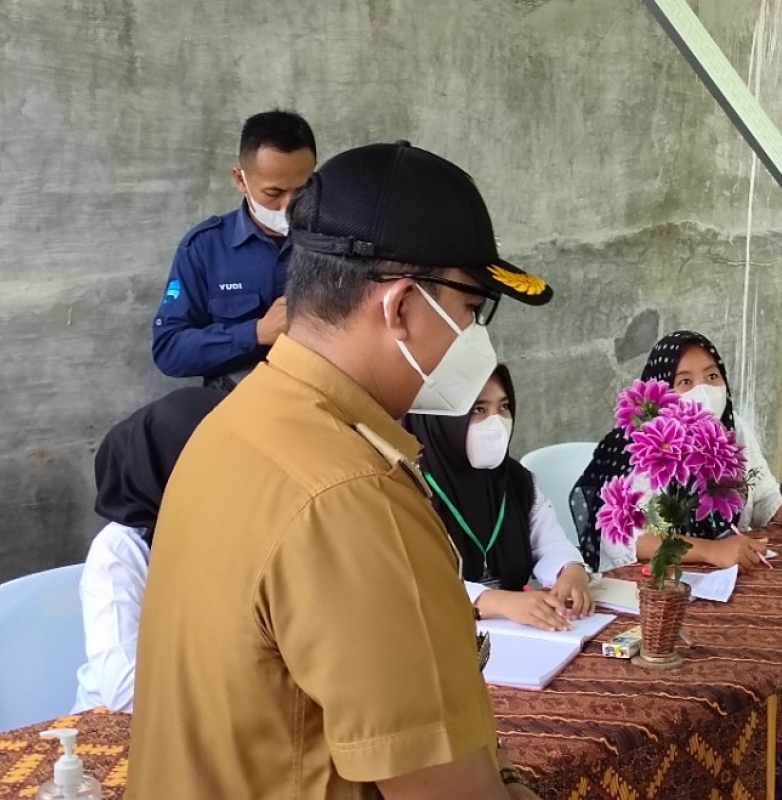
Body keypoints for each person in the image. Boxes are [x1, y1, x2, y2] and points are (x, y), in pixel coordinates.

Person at [128, 141, 552, 799]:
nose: (477, 341)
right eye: (472, 312)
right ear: (402, 307)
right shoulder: (352, 495)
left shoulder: (235, 427)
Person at [572, 330, 782, 573]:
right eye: (685, 381)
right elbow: (627, 538)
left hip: (724, 576)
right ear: (661, 391)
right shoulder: (641, 442)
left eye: (712, 376)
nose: (703, 389)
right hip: (652, 583)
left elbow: (763, 499)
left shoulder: (733, 426)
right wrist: (711, 551)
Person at [72, 387, 226, 714]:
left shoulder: (240, 531)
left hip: (219, 719)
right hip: (122, 729)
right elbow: (125, 690)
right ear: (163, 471)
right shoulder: (119, 552)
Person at [406, 365, 593, 633]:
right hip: (439, 635)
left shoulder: (516, 481)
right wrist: (495, 601)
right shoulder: (409, 488)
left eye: (503, 407)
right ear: (440, 419)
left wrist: (570, 571)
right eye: (478, 410)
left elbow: (549, 543)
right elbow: (414, 578)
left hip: (517, 632)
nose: (496, 422)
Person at [152, 109, 317, 389]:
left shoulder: (338, 238)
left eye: (302, 190)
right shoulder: (205, 248)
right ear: (241, 180)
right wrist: (255, 333)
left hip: (321, 401)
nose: (289, 206)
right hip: (234, 403)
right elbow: (169, 349)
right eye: (274, 193)